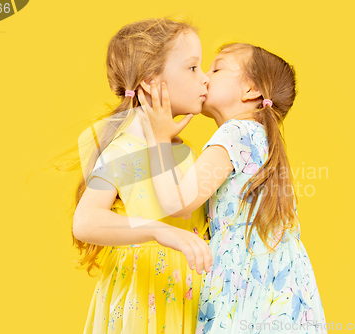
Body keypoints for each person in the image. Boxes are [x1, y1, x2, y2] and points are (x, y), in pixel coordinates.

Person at [135, 43, 327, 333]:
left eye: (216, 68)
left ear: (251, 90)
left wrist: (159, 139)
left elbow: (178, 202)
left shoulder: (236, 132)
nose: (204, 77)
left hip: (245, 282)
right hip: (282, 289)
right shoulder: (261, 136)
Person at [72, 17, 214, 334]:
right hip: (144, 301)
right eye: (193, 68)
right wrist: (156, 230)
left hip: (186, 296)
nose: (205, 79)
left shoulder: (182, 149)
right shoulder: (126, 151)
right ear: (151, 81)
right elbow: (85, 221)